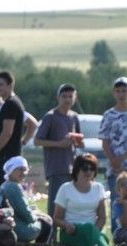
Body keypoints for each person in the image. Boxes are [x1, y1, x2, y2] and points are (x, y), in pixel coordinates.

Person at [34, 83, 83, 228]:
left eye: (70, 96)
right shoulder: (50, 117)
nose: (67, 99)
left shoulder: (74, 117)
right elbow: (37, 141)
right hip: (56, 168)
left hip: (72, 168)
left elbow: (80, 143)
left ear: (75, 98)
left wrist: (78, 141)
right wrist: (59, 143)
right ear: (58, 97)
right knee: (55, 205)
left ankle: (66, 238)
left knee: (70, 205)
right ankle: (51, 239)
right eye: (64, 96)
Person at [53, 154, 111, 246]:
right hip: (71, 232)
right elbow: (56, 218)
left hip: (93, 230)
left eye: (92, 169)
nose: (89, 172)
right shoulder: (65, 188)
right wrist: (66, 225)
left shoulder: (98, 188)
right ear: (77, 169)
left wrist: (94, 232)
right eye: (85, 168)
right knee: (96, 233)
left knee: (90, 228)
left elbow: (102, 217)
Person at [0, 156, 53, 245]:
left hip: (12, 225)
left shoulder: (5, 185)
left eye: (25, 170)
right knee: (47, 222)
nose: (23, 173)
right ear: (11, 171)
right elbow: (27, 216)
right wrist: (37, 215)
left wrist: (34, 210)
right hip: (18, 229)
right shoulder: (13, 186)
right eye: (20, 169)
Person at [0, 71, 26, 183]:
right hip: (10, 155)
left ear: (10, 85)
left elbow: (7, 132)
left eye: (1, 84)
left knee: (4, 190)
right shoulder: (12, 102)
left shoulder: (11, 104)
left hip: (7, 156)